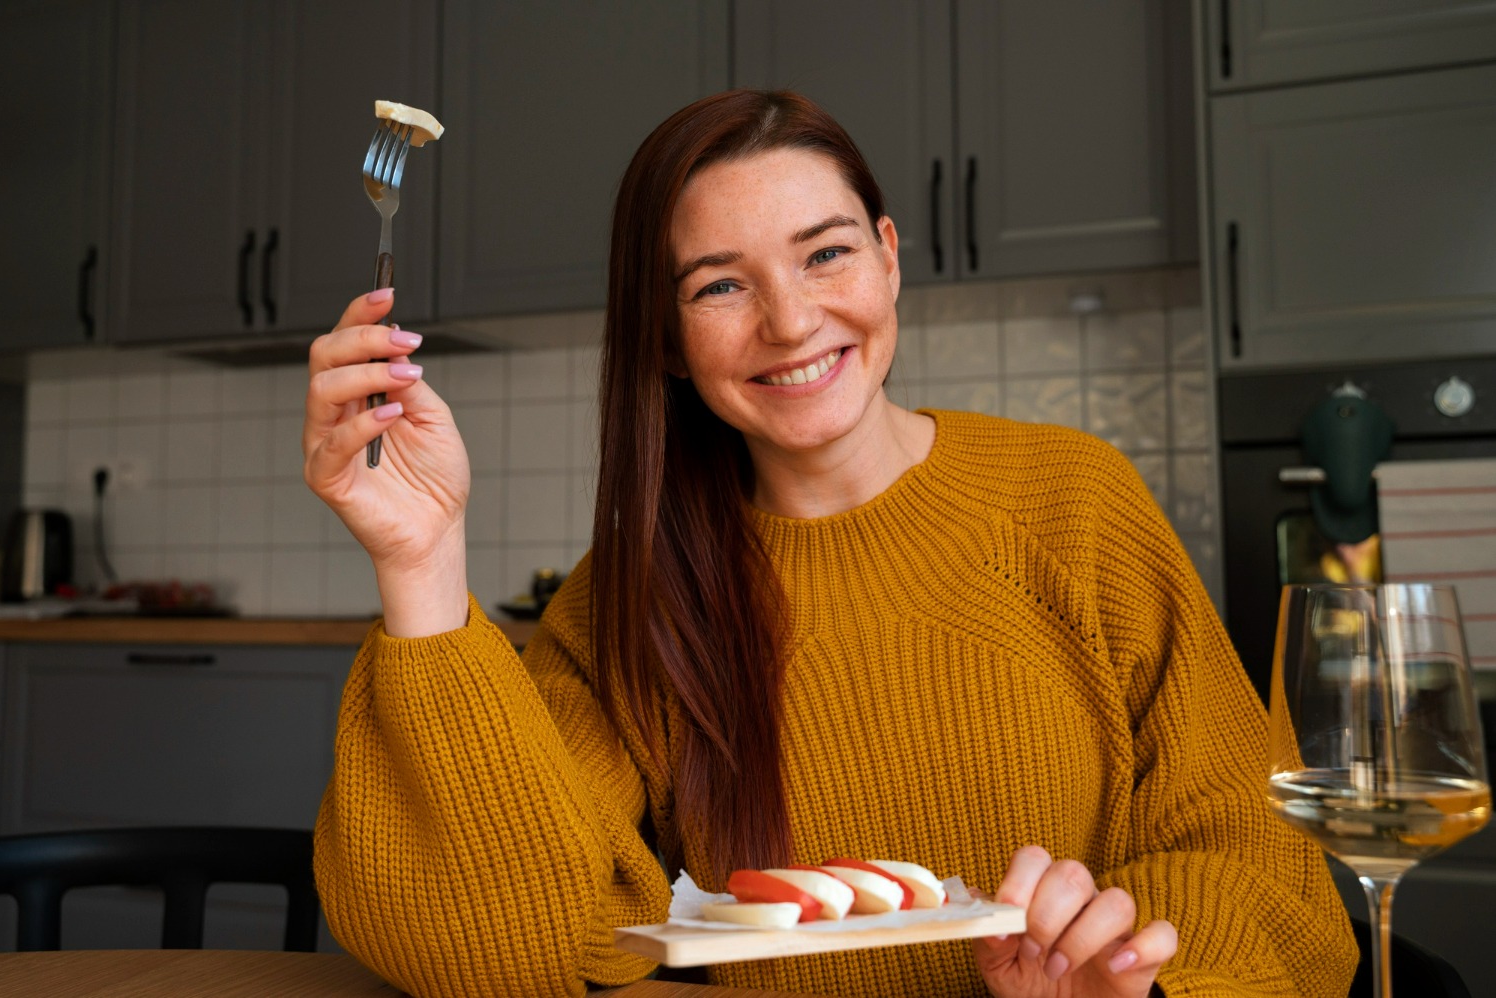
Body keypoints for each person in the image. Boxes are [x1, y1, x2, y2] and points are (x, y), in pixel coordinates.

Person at [304, 90, 1357, 998]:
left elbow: (1260, 856)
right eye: (720, 283)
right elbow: (495, 942)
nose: (792, 319)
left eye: (827, 253)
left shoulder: (1076, 500)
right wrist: (421, 559)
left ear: (889, 260)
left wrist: (1135, 973)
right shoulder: (633, 600)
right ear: (667, 339)